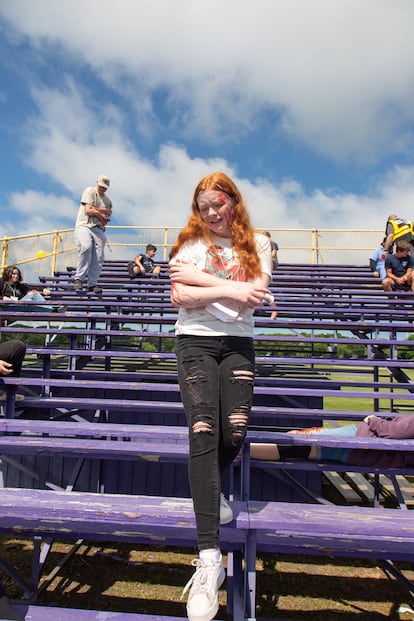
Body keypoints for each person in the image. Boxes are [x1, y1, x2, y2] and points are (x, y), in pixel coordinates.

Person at [168, 171, 272, 621]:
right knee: (203, 429)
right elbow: (178, 296)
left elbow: (257, 296)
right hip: (195, 342)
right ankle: (208, 560)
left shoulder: (260, 244)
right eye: (203, 205)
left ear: (233, 201)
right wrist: (232, 287)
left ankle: (216, 497)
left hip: (238, 345)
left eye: (218, 203)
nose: (211, 212)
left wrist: (202, 286)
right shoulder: (188, 246)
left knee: (236, 429)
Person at [249, 414, 414, 469]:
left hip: (359, 440)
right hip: (366, 457)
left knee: (299, 442)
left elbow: (392, 432)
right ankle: (242, 450)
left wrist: (373, 419)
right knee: (301, 447)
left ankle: (239, 450)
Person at [73, 174, 113, 294]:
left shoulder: (107, 200)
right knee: (86, 246)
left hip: (98, 229)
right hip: (84, 224)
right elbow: (88, 210)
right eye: (101, 186)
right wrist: (101, 213)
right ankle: (79, 278)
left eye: (105, 187)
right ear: (97, 183)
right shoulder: (89, 191)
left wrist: (97, 211)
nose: (102, 188)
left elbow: (108, 215)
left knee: (99, 256)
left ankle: (92, 283)